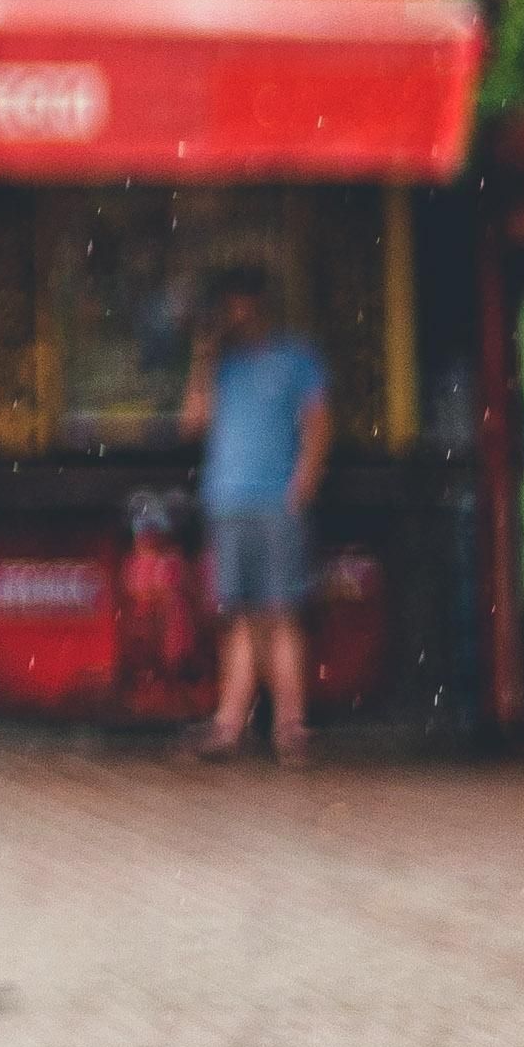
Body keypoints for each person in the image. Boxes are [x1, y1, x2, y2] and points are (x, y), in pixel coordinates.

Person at [183, 261, 335, 763]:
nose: (235, 314)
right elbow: (193, 423)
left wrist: (302, 485)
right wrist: (203, 359)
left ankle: (290, 727)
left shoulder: (296, 359)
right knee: (240, 615)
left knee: (281, 611)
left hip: (275, 500)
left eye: (241, 302)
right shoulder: (222, 365)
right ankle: (231, 724)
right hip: (228, 499)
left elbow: (318, 421)